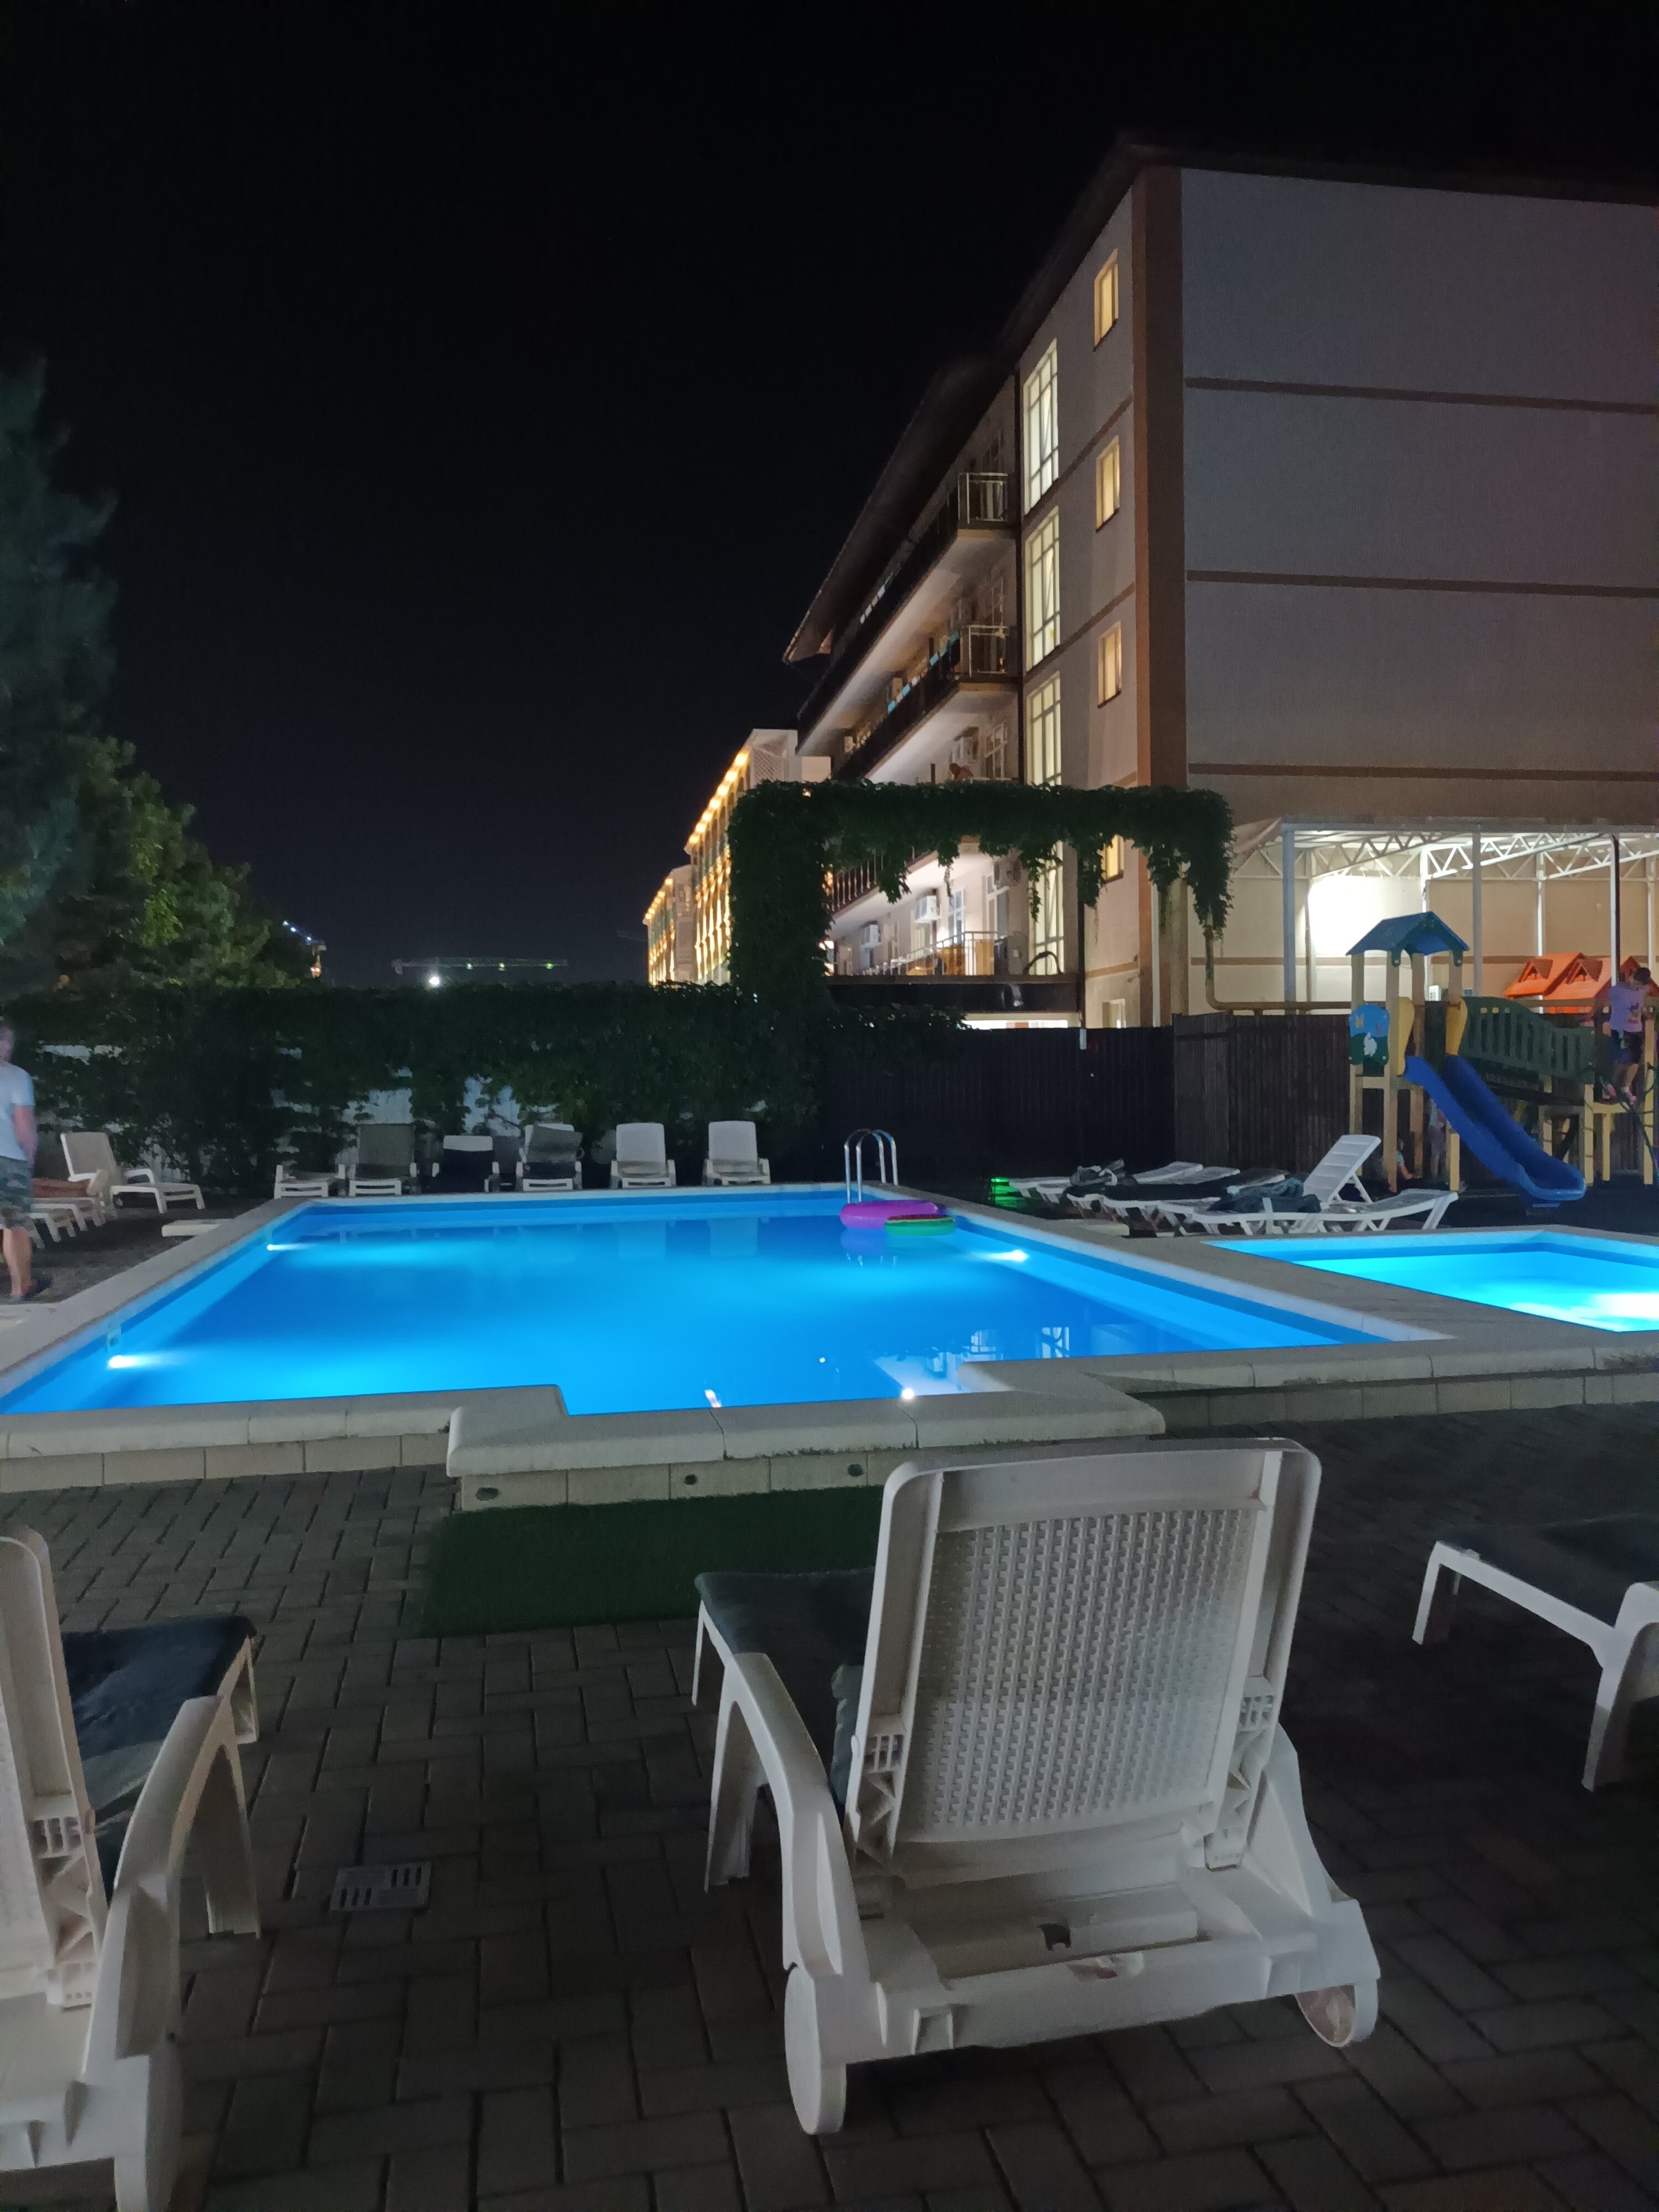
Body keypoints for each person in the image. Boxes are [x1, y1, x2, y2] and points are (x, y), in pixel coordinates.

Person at [0, 1023, 48, 1301]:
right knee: (14, 1225)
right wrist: (29, 1159)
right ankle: (22, 1287)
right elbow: (23, 1125)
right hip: (8, 1159)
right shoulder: (16, 1076)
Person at [1606, 964, 1651, 1107]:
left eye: (1641, 985)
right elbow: (1607, 1000)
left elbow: (1642, 1004)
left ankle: (1626, 1087)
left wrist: (1646, 1014)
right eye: (1636, 984)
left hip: (1635, 1029)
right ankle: (1611, 1086)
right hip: (1621, 1029)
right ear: (1632, 978)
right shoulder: (1618, 990)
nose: (1637, 987)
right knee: (1622, 1059)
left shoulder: (1643, 990)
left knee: (1635, 1061)